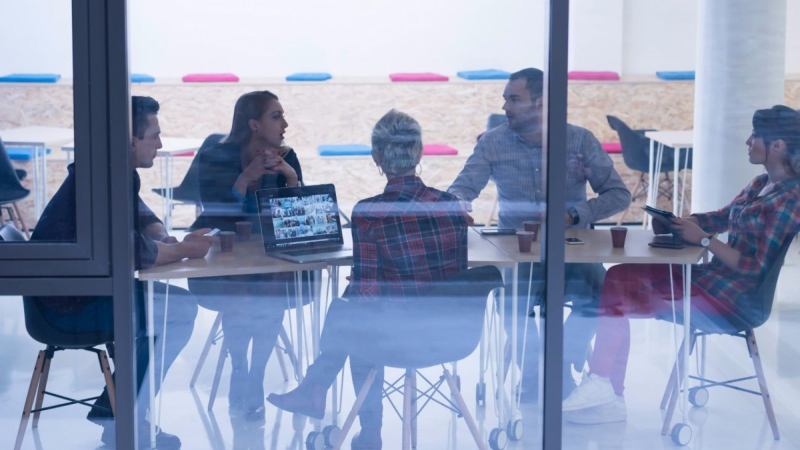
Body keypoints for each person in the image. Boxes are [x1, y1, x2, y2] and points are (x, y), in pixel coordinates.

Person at [562, 105, 800, 424]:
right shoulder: (760, 184)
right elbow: (721, 217)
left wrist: (704, 241)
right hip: (713, 281)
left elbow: (753, 268)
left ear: (778, 145)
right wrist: (680, 223)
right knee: (619, 277)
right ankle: (605, 387)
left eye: (755, 136)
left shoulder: (790, 201)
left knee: (620, 286)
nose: (748, 141)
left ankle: (606, 388)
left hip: (735, 301)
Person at [268, 110, 469, 450]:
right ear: (419, 152)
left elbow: (368, 292)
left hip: (399, 338)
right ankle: (316, 389)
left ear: (376, 157)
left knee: (352, 313)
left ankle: (362, 425)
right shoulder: (451, 205)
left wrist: (359, 284)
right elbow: (455, 275)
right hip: (452, 334)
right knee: (357, 311)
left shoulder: (370, 212)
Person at [29, 96, 213, 449]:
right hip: (66, 308)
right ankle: (121, 416)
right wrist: (184, 250)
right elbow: (131, 251)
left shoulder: (110, 171)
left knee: (173, 307)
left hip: (84, 292)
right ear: (130, 140)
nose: (160, 144)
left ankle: (118, 412)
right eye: (154, 136)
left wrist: (164, 235)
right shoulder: (100, 180)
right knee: (178, 310)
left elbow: (141, 218)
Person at [448, 67, 632, 399]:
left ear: (541, 103)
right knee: (509, 302)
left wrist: (575, 214)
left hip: (571, 249)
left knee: (602, 292)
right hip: (517, 252)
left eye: (513, 99)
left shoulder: (579, 140)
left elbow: (619, 195)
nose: (505, 107)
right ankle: (534, 373)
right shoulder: (493, 142)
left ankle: (560, 363)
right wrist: (459, 206)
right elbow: (462, 189)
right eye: (505, 99)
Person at [189, 90, 308, 421]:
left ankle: (255, 375)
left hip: (269, 259)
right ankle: (240, 369)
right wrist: (244, 178)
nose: (285, 124)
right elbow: (213, 211)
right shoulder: (216, 156)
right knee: (241, 292)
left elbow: (297, 219)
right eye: (276, 116)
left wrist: (291, 177)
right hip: (225, 259)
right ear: (254, 124)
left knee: (270, 289)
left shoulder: (287, 157)